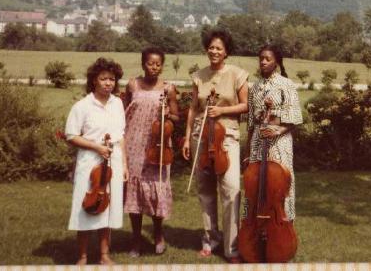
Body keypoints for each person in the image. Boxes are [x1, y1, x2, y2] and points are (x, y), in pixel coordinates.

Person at [182, 29, 248, 263]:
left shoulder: (238, 74)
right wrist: (187, 135)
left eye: (219, 48)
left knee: (231, 190)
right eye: (211, 47)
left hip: (226, 138)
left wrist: (222, 110)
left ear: (226, 51)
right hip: (200, 136)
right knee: (205, 191)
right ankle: (210, 239)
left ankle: (232, 247)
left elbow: (245, 106)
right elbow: (193, 108)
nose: (214, 51)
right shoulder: (199, 75)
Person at [65, 57, 128, 265]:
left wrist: (125, 165)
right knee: (86, 207)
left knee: (107, 209)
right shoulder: (82, 106)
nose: (108, 83)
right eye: (103, 79)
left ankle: (104, 255)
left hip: (113, 164)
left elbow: (120, 137)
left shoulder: (117, 103)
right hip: (89, 163)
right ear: (94, 81)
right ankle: (82, 256)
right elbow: (71, 136)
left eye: (112, 79)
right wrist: (96, 147)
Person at [122, 46, 179, 257]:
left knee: (156, 190)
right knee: (134, 190)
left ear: (162, 66)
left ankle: (158, 235)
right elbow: (124, 112)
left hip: (158, 145)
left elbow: (176, 117)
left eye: (158, 64)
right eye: (150, 63)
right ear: (143, 64)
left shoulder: (168, 89)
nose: (154, 67)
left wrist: (168, 113)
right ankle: (136, 240)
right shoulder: (132, 84)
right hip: (134, 144)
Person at [244, 45, 302, 226]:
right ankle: (254, 228)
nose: (263, 62)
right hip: (258, 142)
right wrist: (248, 152)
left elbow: (295, 117)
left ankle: (284, 227)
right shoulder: (255, 87)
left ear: (276, 62)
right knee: (256, 186)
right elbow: (251, 123)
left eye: (267, 59)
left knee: (281, 183)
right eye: (261, 58)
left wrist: (278, 129)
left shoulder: (286, 84)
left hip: (280, 142)